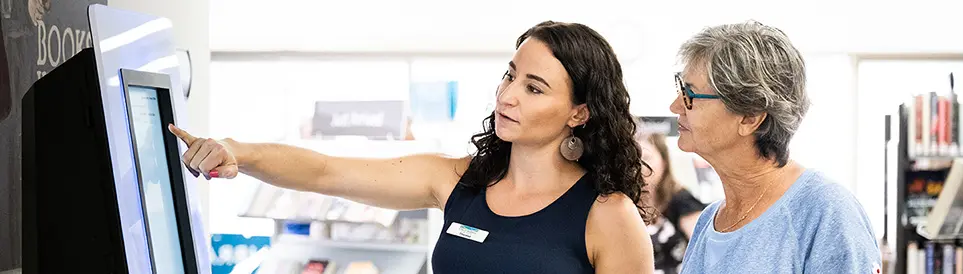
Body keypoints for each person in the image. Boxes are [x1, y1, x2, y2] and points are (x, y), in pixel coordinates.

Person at [169, 21, 654, 274]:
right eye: (510, 75)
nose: (507, 95)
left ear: (580, 112)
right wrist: (238, 150)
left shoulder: (607, 216)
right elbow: (324, 172)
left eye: (534, 87)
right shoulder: (458, 181)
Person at [669, 21, 881, 273]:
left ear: (750, 116)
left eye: (690, 95)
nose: (675, 106)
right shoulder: (709, 220)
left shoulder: (825, 211)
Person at [638, 132, 704, 274]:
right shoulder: (623, 204)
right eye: (633, 159)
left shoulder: (682, 200)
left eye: (647, 158)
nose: (640, 166)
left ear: (664, 161)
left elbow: (704, 249)